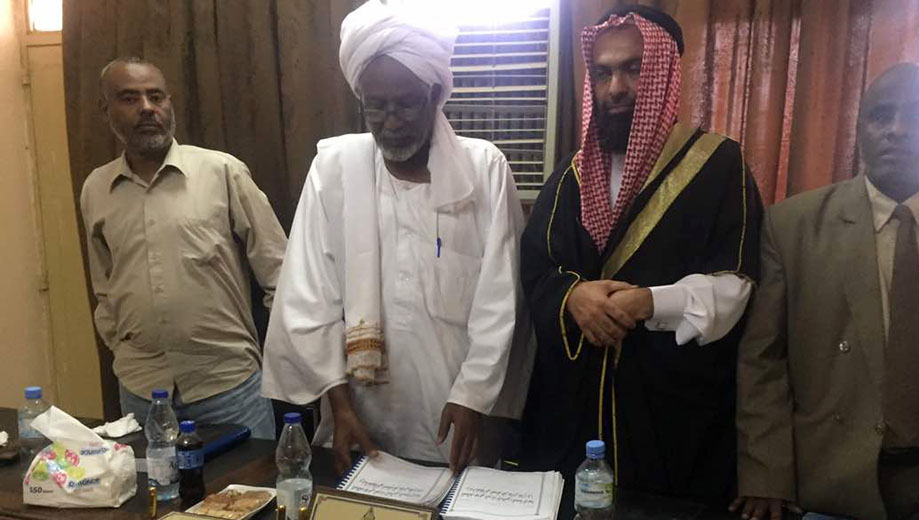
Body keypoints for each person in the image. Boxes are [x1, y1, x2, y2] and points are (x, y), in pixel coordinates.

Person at [260, 0, 530, 475]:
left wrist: (472, 396)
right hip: (358, 419)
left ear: (434, 94)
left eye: (405, 103)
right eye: (376, 105)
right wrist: (339, 405)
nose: (390, 120)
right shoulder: (334, 170)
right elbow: (308, 298)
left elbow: (501, 300)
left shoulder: (483, 169)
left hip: (456, 419)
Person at [520, 4, 763, 512]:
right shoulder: (570, 176)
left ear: (664, 74)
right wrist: (573, 297)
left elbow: (736, 284)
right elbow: (537, 269)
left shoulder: (718, 165)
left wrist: (651, 303)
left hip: (671, 419)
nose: (616, 88)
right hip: (574, 417)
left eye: (633, 69)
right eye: (603, 72)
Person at [734, 62, 919, 520]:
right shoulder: (793, 226)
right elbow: (763, 360)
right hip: (834, 477)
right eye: (880, 115)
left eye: (917, 114)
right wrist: (766, 473)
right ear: (859, 128)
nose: (897, 129)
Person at [80, 57, 287, 439]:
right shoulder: (96, 188)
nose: (147, 108)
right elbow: (104, 286)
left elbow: (279, 270)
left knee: (249, 479)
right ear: (105, 109)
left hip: (228, 387)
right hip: (141, 390)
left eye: (156, 96)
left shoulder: (222, 172)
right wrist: (122, 347)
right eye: (130, 98)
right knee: (152, 482)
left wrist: (279, 351)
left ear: (169, 103)